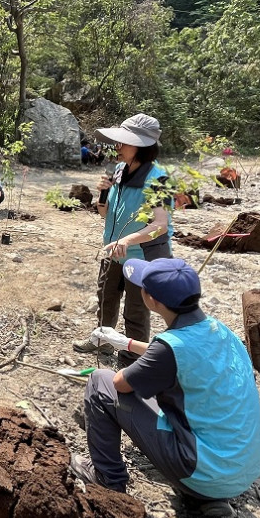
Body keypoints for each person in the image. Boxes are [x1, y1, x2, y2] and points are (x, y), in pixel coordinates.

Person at [72, 258, 260, 518]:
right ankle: (205, 497)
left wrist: (126, 361)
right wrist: (126, 343)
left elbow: (122, 383)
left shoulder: (170, 349)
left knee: (100, 381)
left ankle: (108, 480)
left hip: (202, 471)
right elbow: (169, 354)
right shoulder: (221, 331)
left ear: (151, 300)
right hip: (242, 471)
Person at [75, 114, 173, 364]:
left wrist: (128, 241)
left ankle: (133, 360)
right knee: (106, 300)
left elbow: (160, 226)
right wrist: (103, 193)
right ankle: (103, 342)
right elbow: (104, 213)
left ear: (141, 146)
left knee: (135, 312)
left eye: (123, 142)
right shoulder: (120, 169)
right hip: (112, 251)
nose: (116, 147)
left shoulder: (158, 180)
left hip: (140, 258)